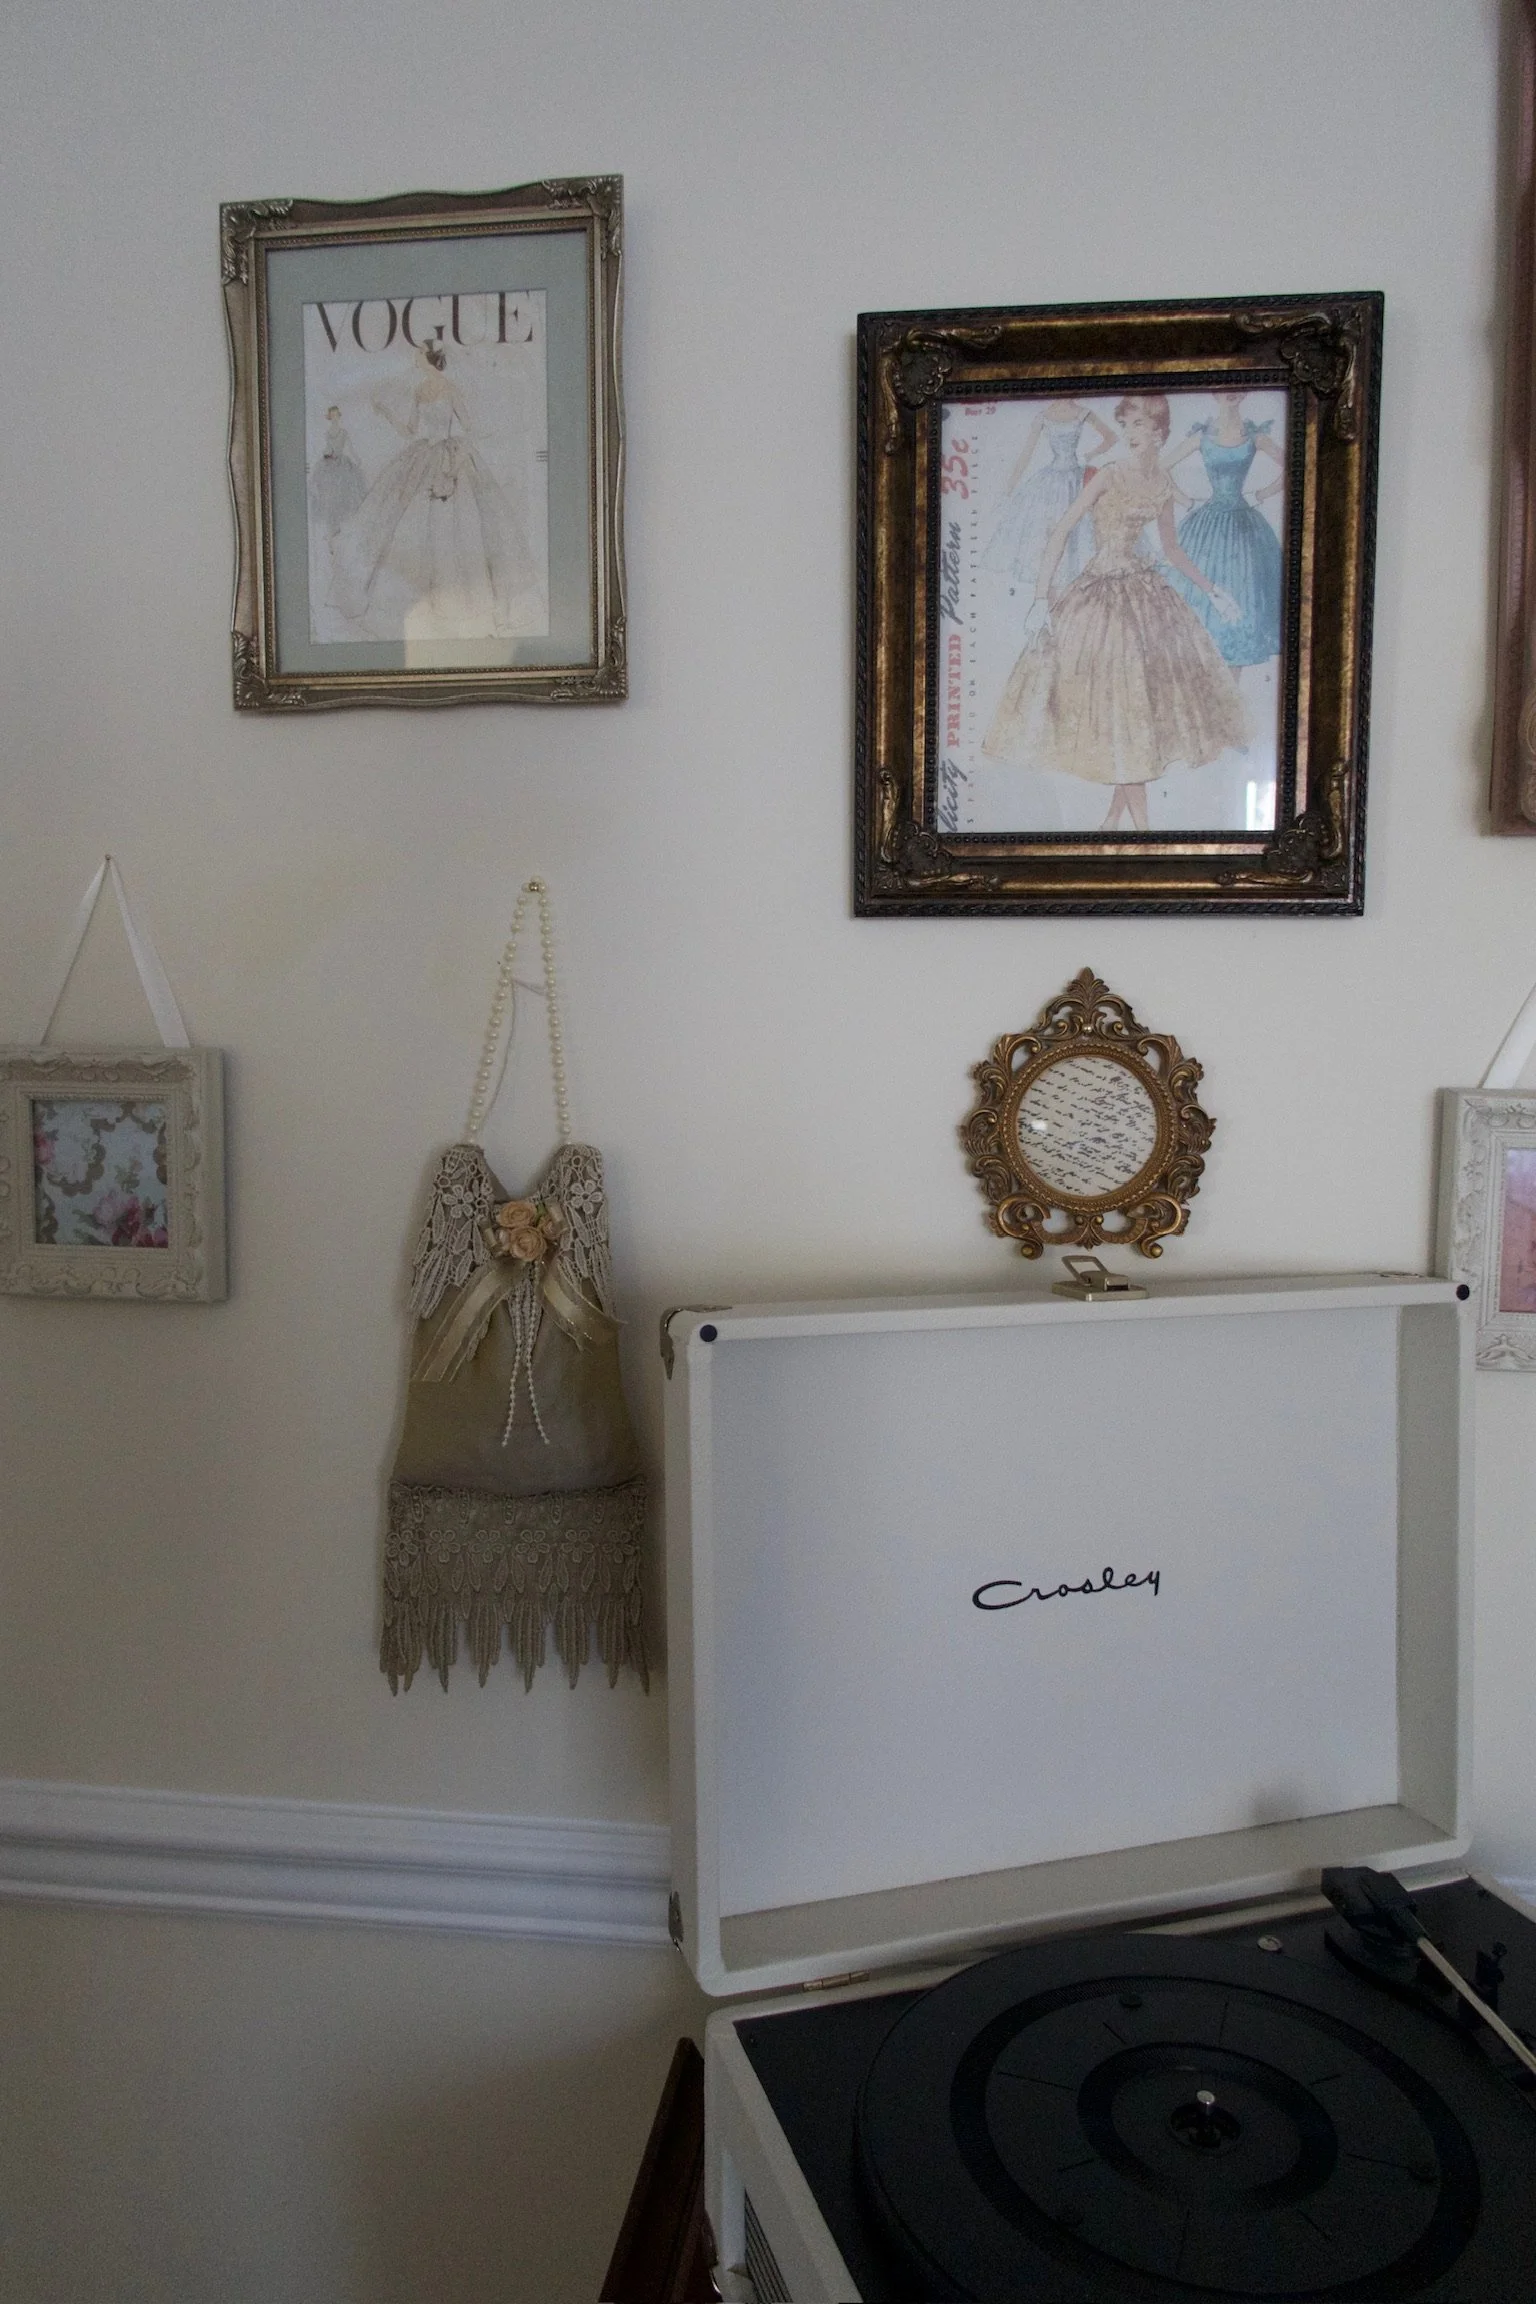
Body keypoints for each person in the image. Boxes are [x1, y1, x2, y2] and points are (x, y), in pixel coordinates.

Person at [982, 393, 1246, 831]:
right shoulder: (1108, 475)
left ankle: (1111, 824)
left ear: (1161, 433)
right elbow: (1062, 528)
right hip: (1099, 599)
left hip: (1146, 598)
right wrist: (1040, 597)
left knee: (1136, 712)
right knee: (1120, 711)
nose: (1131, 435)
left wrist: (1213, 590)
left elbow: (1173, 550)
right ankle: (1144, 836)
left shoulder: (1162, 483)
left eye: (1140, 426)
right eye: (1126, 426)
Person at [326, 336, 543, 640]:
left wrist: (454, 470)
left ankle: (464, 612)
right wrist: (386, 413)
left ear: (429, 357)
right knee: (411, 530)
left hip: (450, 457)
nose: (414, 357)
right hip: (424, 455)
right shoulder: (418, 390)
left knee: (459, 533)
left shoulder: (451, 388)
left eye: (418, 353)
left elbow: (469, 430)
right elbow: (411, 430)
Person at [1162, 390, 1285, 671]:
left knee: (1242, 597)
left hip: (1244, 528)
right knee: (1199, 600)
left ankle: (1232, 694)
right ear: (1215, 396)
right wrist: (1185, 500)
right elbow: (1161, 467)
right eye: (1223, 392)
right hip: (1207, 523)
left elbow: (1296, 464)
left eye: (1236, 392)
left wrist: (1261, 494)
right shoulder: (1202, 437)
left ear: (1243, 396)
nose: (1230, 395)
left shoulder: (1255, 436)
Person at [980, 398, 1116, 595]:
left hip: (1076, 481)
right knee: (1048, 544)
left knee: (1079, 539)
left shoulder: (1082, 412)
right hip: (1050, 483)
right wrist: (1007, 492)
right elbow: (1026, 455)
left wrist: (1091, 455)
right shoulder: (1043, 416)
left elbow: (1111, 437)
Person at [307, 406, 366, 541]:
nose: (334, 418)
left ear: (339, 416)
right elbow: (328, 448)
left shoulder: (344, 432)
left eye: (336, 415)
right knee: (328, 496)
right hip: (328, 464)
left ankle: (337, 529)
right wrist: (326, 454)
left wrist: (357, 459)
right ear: (329, 417)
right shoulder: (327, 433)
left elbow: (349, 447)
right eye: (331, 416)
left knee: (340, 496)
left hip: (341, 465)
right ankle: (332, 529)